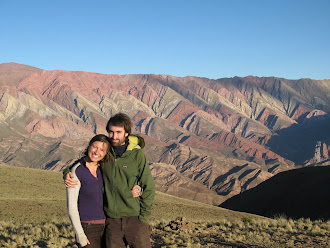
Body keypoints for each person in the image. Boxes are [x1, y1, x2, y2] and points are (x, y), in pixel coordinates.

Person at [65, 113, 155, 248]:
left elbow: (148, 186)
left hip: (135, 219)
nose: (114, 136)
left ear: (126, 133)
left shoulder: (137, 155)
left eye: (118, 132)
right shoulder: (105, 152)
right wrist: (66, 172)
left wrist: (143, 218)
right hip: (111, 221)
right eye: (111, 132)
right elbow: (84, 163)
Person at [66, 134, 141, 248]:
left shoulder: (104, 169)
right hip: (87, 228)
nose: (97, 152)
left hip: (107, 226)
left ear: (106, 153)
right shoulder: (77, 171)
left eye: (102, 150)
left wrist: (138, 188)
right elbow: (71, 206)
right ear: (89, 146)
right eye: (94, 147)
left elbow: (120, 185)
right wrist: (80, 234)